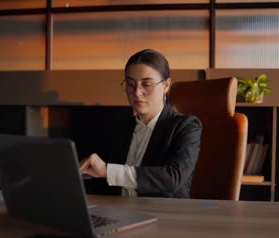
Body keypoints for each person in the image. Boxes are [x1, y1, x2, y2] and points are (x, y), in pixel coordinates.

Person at [79, 49, 202, 198]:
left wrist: (108, 171)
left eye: (147, 84)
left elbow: (172, 178)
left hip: (164, 217)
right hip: (120, 213)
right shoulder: (120, 129)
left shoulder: (186, 126)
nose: (137, 93)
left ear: (166, 85)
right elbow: (102, 183)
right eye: (131, 84)